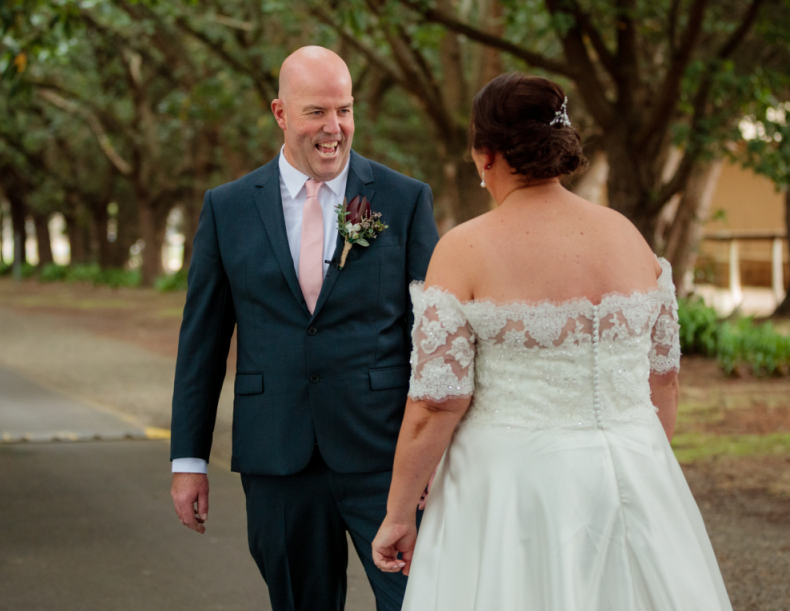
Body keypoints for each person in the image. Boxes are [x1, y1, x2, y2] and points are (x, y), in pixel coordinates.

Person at [371, 73, 732, 610]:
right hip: (637, 472)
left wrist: (399, 514)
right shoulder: (627, 236)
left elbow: (436, 403)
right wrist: (643, 469)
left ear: (486, 153)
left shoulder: (465, 248)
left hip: (512, 492)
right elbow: (665, 379)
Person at [170, 46, 439, 611]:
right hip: (277, 455)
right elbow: (203, 342)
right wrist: (189, 460)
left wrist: (438, 454)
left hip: (384, 456)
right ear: (280, 114)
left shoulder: (405, 199)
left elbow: (433, 338)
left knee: (420, 600)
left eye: (344, 110)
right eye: (316, 111)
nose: (334, 128)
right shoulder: (228, 208)